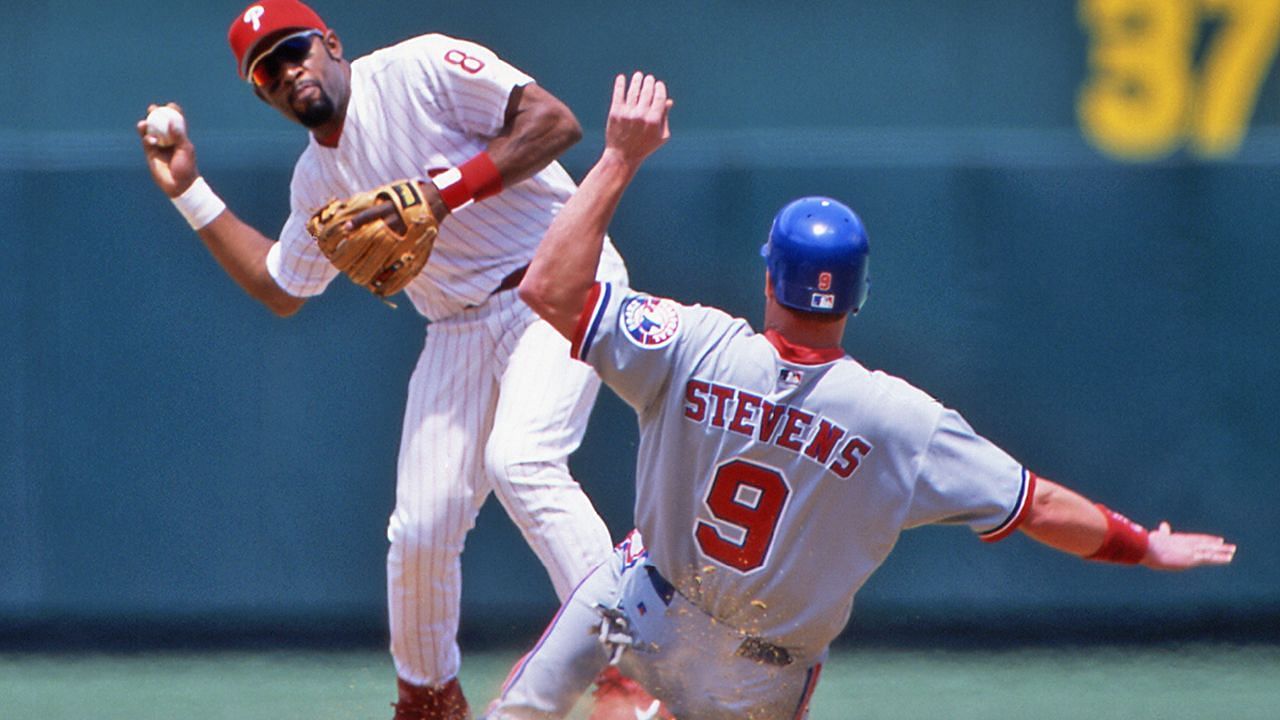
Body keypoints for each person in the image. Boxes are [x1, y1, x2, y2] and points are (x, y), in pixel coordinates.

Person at [480, 72, 1238, 719]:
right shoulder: (901, 419)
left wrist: (618, 156)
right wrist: (1143, 545)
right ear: (857, 295)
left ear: (769, 275)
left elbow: (549, 286)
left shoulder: (692, 342)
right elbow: (1037, 507)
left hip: (645, 610)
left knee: (538, 683)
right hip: (760, 673)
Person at [136, 2, 665, 718]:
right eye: (269, 71)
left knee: (523, 460)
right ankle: (428, 697)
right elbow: (281, 286)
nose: (291, 73)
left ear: (330, 43)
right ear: (262, 93)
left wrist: (440, 192)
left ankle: (631, 668)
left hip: (560, 278)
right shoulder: (315, 182)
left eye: (295, 51)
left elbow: (554, 123)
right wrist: (188, 191)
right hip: (457, 324)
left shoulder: (421, 68)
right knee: (421, 526)